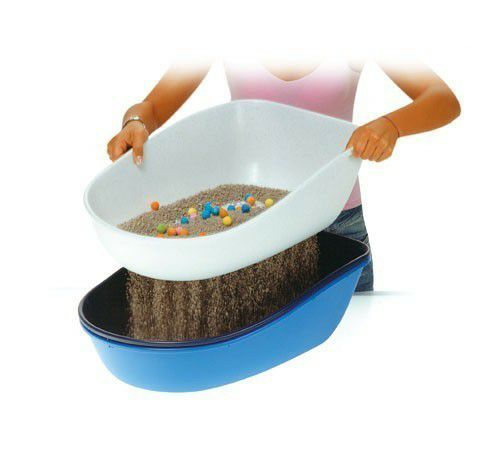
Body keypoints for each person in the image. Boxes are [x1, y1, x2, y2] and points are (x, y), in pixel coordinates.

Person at [107, 59, 460, 291]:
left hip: (337, 223)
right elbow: (152, 108)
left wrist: (391, 125)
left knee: (352, 343)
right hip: (247, 225)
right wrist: (135, 124)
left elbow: (442, 98)